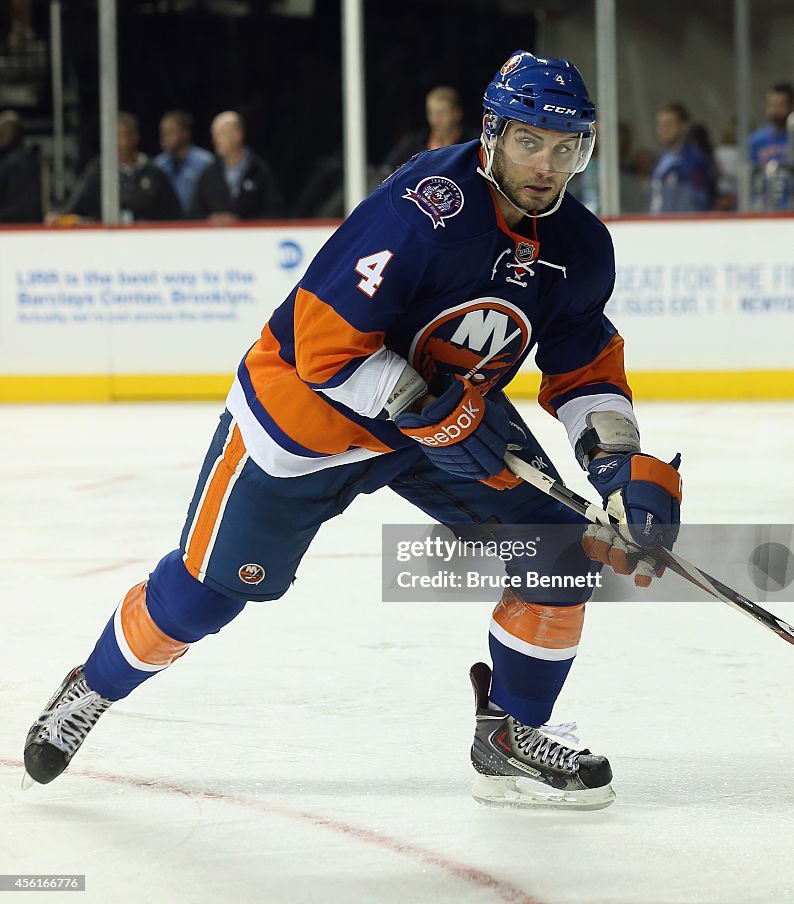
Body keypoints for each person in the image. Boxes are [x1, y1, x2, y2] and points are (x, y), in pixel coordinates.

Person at [24, 51, 682, 810]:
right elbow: (319, 340)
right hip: (308, 416)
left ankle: (510, 735)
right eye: (531, 141)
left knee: (559, 556)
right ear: (493, 133)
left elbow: (584, 368)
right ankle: (91, 689)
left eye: (567, 147)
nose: (548, 164)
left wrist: (619, 468)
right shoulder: (424, 208)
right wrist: (427, 411)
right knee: (206, 595)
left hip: (443, 415)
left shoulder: (579, 244)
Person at [59, 112, 182, 222]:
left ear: (135, 137)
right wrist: (60, 216)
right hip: (107, 237)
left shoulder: (152, 171)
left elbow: (172, 212)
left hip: (146, 237)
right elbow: (76, 205)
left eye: (121, 136)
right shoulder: (99, 169)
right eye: (113, 137)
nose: (117, 142)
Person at [189, 111, 285, 222]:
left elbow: (275, 212)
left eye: (221, 134)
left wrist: (242, 223)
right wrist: (211, 219)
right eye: (214, 135)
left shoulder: (259, 171)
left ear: (238, 135)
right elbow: (194, 213)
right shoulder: (209, 173)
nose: (214, 140)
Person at [381, 85, 476, 173]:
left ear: (457, 114)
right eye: (431, 113)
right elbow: (387, 169)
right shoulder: (415, 143)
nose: (436, 119)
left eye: (442, 113)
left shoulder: (473, 144)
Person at [649, 102, 713, 213]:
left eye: (668, 124)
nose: (663, 129)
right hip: (658, 224)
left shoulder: (694, 160)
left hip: (680, 225)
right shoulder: (659, 160)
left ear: (684, 126)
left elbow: (696, 200)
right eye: (660, 124)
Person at [154, 110, 214, 216]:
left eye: (170, 132)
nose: (165, 137)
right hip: (166, 225)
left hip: (197, 224)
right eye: (163, 132)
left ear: (185, 133)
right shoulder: (158, 165)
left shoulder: (205, 163)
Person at [749, 81, 794, 210]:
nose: (774, 111)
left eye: (780, 106)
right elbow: (748, 180)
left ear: (791, 106)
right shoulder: (756, 141)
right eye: (771, 105)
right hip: (764, 210)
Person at [0, 110, 42, 224]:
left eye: (3, 133)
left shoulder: (11, 163)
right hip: (32, 224)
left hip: (12, 225)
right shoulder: (30, 159)